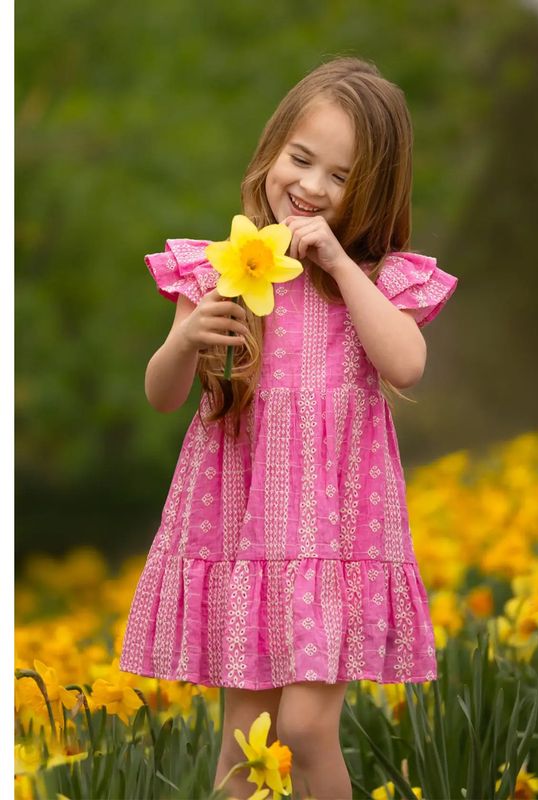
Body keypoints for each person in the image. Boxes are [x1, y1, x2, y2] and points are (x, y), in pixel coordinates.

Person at [120, 56, 458, 800]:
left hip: (333, 540)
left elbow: (406, 365)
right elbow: (162, 395)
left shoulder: (372, 279)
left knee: (304, 730)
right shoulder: (221, 269)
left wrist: (340, 264)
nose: (309, 187)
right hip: (247, 537)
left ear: (370, 194)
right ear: (272, 150)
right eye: (300, 160)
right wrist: (183, 341)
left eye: (339, 178)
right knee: (247, 746)